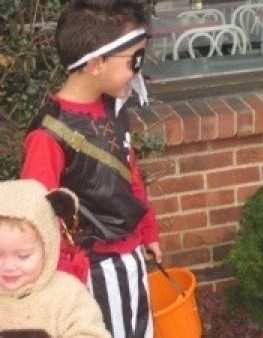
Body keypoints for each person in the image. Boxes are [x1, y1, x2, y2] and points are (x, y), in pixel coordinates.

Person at [20, 1, 162, 337]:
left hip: (129, 257)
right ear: (96, 64)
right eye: (133, 61)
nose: (137, 71)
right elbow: (37, 213)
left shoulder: (112, 109)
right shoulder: (48, 135)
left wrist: (149, 231)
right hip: (90, 268)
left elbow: (130, 177)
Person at [0, 179, 110, 337]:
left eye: (23, 256)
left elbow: (91, 333)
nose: (8, 266)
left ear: (48, 248)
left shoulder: (67, 294)